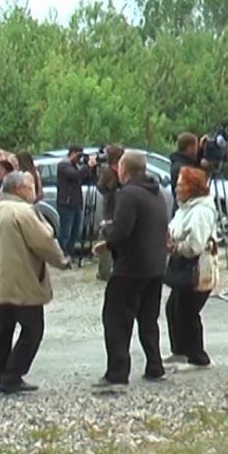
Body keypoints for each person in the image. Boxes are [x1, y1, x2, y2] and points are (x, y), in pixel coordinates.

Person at [0, 172, 70, 396]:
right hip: (24, 283)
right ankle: (12, 376)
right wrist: (61, 261)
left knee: (3, 331)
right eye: (31, 187)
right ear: (20, 189)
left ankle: (0, 377)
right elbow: (44, 241)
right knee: (32, 330)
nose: (34, 192)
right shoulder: (24, 212)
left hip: (1, 281)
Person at [91, 151, 169, 392]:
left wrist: (106, 233)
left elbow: (122, 231)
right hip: (155, 267)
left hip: (131, 267)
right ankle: (155, 366)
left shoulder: (128, 194)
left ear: (124, 170)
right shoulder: (156, 194)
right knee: (148, 319)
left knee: (116, 319)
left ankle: (117, 373)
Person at [164, 166, 218, 370]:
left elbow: (195, 245)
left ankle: (198, 357)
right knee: (173, 309)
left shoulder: (201, 211)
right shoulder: (185, 208)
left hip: (198, 268)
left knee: (187, 313)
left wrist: (175, 247)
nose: (176, 189)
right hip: (184, 267)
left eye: (180, 185)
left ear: (192, 187)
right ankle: (180, 352)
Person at [56, 144, 96, 263]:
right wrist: (87, 166)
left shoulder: (75, 166)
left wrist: (91, 169)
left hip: (76, 203)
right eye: (78, 155)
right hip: (66, 203)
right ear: (72, 153)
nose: (79, 159)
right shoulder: (63, 165)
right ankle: (62, 254)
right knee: (65, 232)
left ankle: (71, 252)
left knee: (74, 232)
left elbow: (85, 178)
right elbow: (75, 175)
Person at [95, 144, 125, 281]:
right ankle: (105, 271)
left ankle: (106, 270)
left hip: (112, 208)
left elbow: (100, 186)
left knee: (107, 237)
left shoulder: (110, 171)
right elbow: (102, 187)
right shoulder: (111, 172)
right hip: (112, 208)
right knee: (106, 237)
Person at [169, 133, 201, 214]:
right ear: (190, 148)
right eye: (196, 147)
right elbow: (194, 192)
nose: (197, 150)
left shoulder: (179, 163)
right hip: (185, 211)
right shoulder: (182, 168)